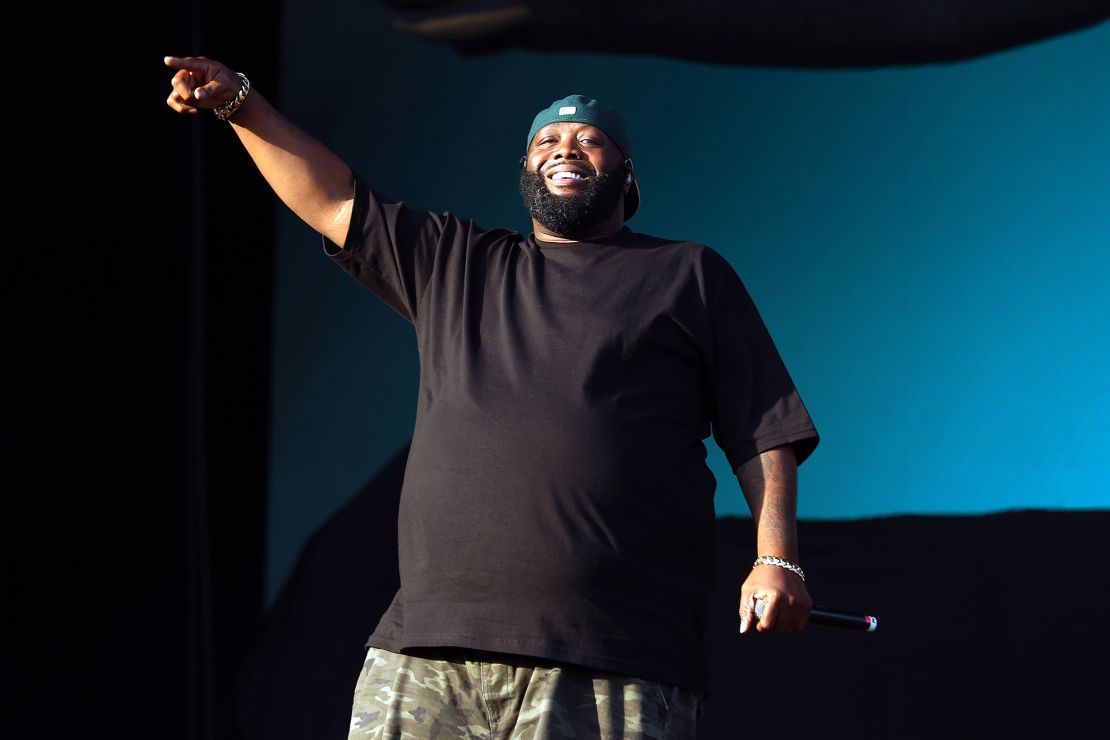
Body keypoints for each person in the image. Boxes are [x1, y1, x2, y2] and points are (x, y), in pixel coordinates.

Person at [165, 55, 821, 739]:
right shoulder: (459, 262)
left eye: (589, 140)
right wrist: (238, 102)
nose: (565, 147)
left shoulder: (686, 274)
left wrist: (776, 559)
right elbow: (332, 199)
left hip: (606, 653)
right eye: (546, 140)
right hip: (427, 650)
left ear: (628, 175)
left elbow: (762, 427)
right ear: (525, 171)